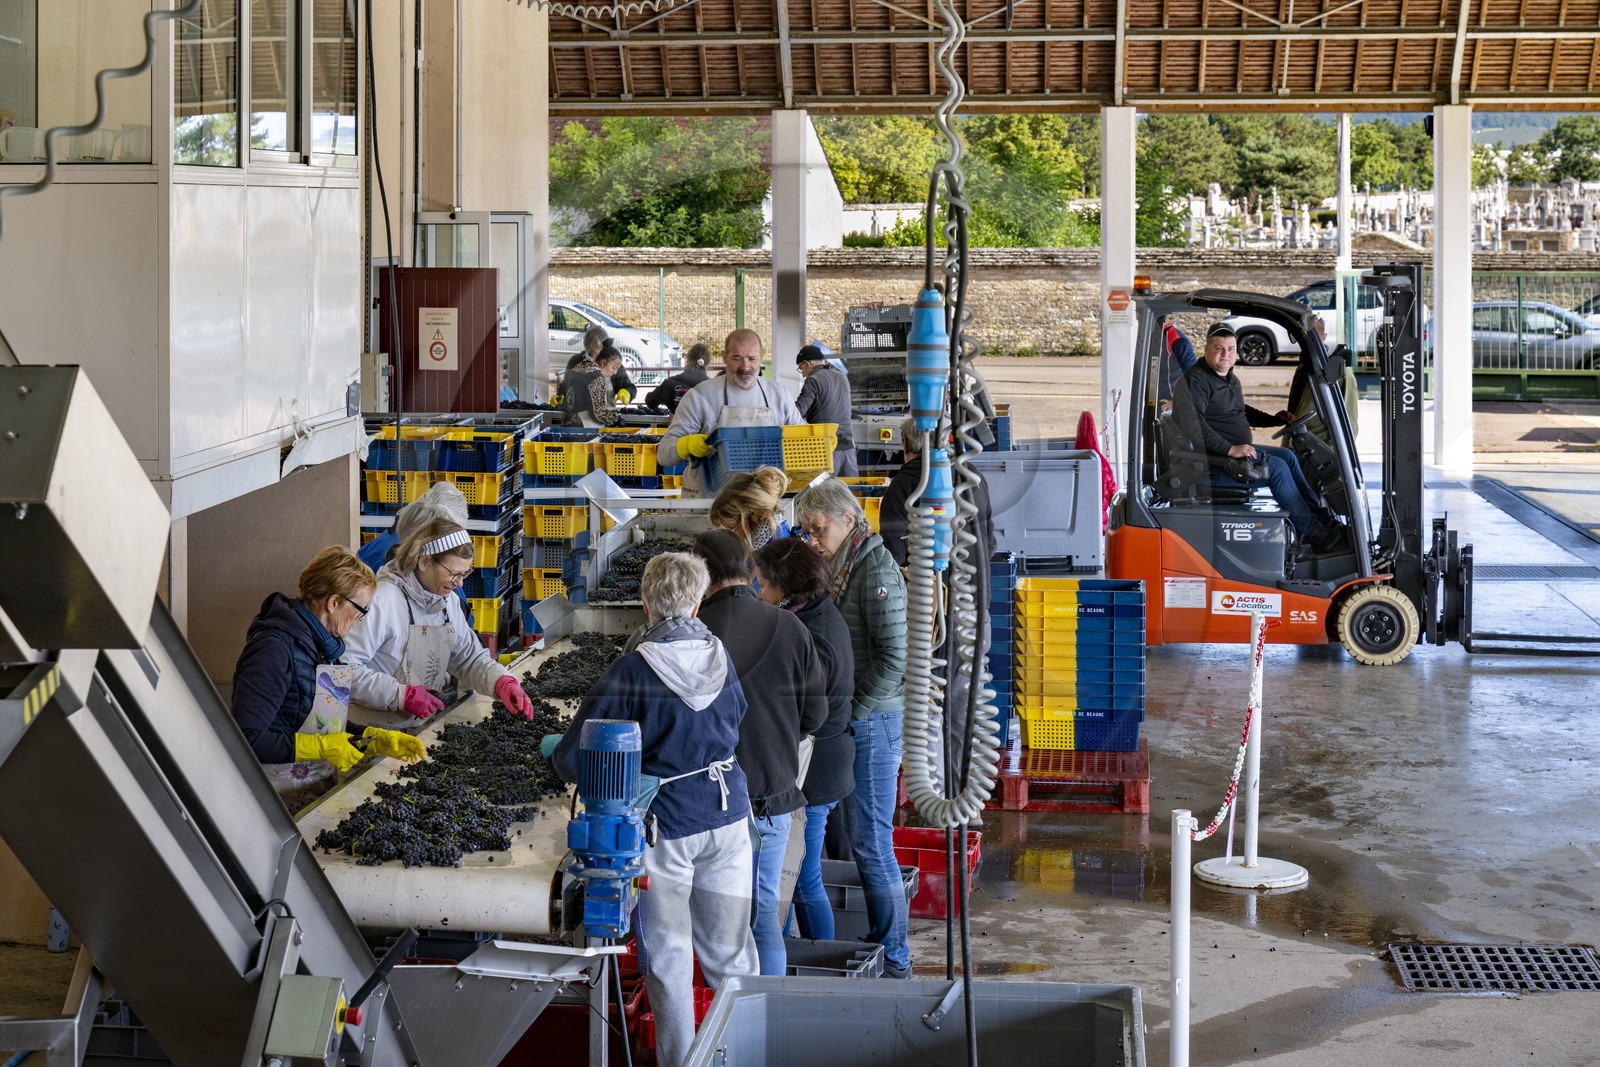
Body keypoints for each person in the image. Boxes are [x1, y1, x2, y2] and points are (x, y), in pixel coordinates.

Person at [548, 553, 756, 1067]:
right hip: (730, 816)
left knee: (668, 955)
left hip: (671, 826)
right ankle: (753, 1049)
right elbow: (737, 717)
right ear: (696, 600)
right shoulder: (721, 654)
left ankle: (682, 1061)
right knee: (732, 954)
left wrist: (556, 753)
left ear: (645, 604)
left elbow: (580, 754)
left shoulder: (635, 667)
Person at [692, 529, 827, 978]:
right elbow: (815, 716)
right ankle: (767, 1027)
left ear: (702, 576)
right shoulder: (789, 626)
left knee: (713, 929)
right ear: (749, 572)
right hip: (773, 796)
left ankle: (721, 1032)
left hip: (711, 807)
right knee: (763, 916)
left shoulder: (694, 636)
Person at [791, 478, 911, 978]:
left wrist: (854, 713)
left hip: (875, 723)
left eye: (818, 530)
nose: (813, 541)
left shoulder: (875, 571)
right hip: (861, 720)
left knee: (871, 841)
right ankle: (884, 941)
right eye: (806, 533)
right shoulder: (848, 564)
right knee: (864, 839)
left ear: (847, 519)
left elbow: (894, 658)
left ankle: (898, 956)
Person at [230, 547, 424, 810]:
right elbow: (247, 738)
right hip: (277, 800)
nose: (361, 618)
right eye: (360, 609)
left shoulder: (324, 645)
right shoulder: (274, 649)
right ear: (333, 603)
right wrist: (320, 747)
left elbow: (321, 722)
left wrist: (369, 737)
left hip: (316, 788)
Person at [343, 517, 538, 730]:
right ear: (424, 562)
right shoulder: (382, 601)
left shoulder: (448, 602)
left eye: (464, 574)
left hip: (419, 726)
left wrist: (501, 682)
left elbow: (469, 659)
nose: (460, 583)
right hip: (370, 732)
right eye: (453, 573)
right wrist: (400, 695)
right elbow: (344, 670)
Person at [752, 538, 855, 940]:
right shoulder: (812, 615)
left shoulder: (815, 633)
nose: (759, 592)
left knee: (803, 879)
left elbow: (811, 713)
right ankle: (803, 954)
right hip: (821, 762)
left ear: (787, 585)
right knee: (796, 877)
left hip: (819, 769)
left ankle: (821, 966)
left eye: (763, 584)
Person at [1173, 324, 1343, 552]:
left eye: (1231, 349)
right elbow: (1195, 426)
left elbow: (1240, 410)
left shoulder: (1226, 378)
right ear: (1205, 349)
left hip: (1227, 455)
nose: (1226, 354)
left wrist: (1273, 419)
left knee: (1287, 456)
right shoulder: (1197, 380)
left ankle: (1322, 519)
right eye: (1219, 348)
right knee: (1278, 468)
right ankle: (1315, 533)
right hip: (1212, 464)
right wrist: (1231, 449)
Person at [656, 329, 805, 495]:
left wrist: (820, 442)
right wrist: (685, 444)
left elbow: (801, 441)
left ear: (762, 356)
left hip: (762, 503)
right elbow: (663, 455)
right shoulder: (700, 396)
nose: (745, 366)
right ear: (724, 356)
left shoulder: (778, 395)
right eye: (737, 358)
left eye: (751, 358)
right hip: (709, 506)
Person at [879, 416, 995, 568]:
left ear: (905, 444)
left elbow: (893, 555)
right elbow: (990, 544)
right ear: (947, 443)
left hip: (927, 588)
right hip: (977, 586)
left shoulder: (901, 486)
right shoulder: (973, 475)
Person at [794, 344, 858, 476]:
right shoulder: (842, 377)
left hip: (827, 449)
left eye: (801, 369)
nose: (803, 375)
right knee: (851, 491)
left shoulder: (813, 380)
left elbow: (797, 412)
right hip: (848, 447)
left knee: (824, 493)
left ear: (807, 364)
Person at [708, 466, 791, 552]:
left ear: (759, 516)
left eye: (731, 528)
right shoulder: (761, 540)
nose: (728, 535)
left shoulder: (780, 549)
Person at [562, 344, 626, 428]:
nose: (615, 372)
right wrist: (617, 420)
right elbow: (598, 413)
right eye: (614, 368)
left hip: (567, 424)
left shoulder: (579, 367)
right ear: (603, 362)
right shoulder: (596, 377)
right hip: (582, 429)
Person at [645, 342, 712, 412]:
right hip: (704, 423)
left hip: (677, 422)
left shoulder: (669, 384)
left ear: (687, 359)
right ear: (707, 363)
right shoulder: (712, 387)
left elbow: (650, 402)